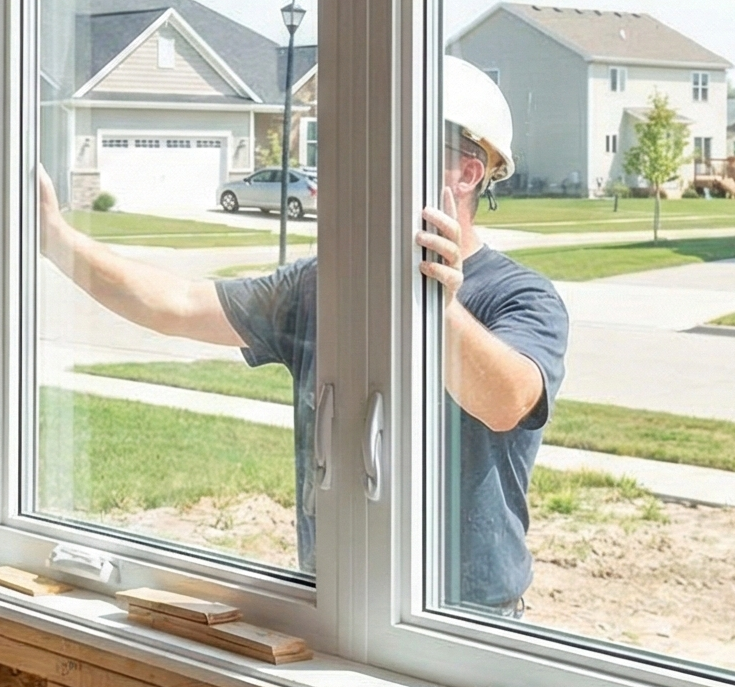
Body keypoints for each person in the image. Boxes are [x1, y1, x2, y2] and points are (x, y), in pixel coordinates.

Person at [36, 57, 566, 612]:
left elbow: (506, 403)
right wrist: (55, 238)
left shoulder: (519, 295)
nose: (373, 159)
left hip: (466, 622)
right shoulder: (322, 284)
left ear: (467, 172)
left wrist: (439, 306)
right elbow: (179, 305)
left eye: (402, 143)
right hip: (335, 601)